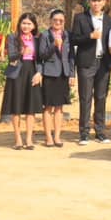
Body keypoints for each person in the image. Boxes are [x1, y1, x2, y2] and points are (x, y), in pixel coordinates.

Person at [72, 0, 111, 145]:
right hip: (86, 63)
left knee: (101, 97)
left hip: (103, 62)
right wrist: (90, 36)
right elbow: (74, 38)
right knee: (85, 98)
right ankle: (84, 133)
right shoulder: (80, 18)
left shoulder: (110, 20)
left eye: (99, 0)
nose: (96, 3)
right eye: (93, 0)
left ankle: (100, 132)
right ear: (89, 2)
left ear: (104, 2)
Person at [2, 13, 43, 150]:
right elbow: (11, 57)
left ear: (34, 26)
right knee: (16, 107)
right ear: (19, 24)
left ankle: (29, 139)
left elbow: (41, 59)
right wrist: (22, 51)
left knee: (30, 108)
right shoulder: (13, 37)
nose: (26, 26)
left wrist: (39, 73)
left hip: (32, 72)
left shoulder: (37, 39)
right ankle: (18, 139)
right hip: (17, 73)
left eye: (29, 23)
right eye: (24, 23)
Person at [37, 9, 75, 148]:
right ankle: (48, 137)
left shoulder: (67, 35)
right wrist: (54, 45)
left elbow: (71, 56)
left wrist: (72, 74)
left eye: (61, 20)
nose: (58, 22)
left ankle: (57, 136)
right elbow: (42, 55)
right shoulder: (45, 35)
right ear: (50, 20)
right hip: (50, 74)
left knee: (59, 107)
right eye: (55, 20)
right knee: (48, 107)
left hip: (63, 74)